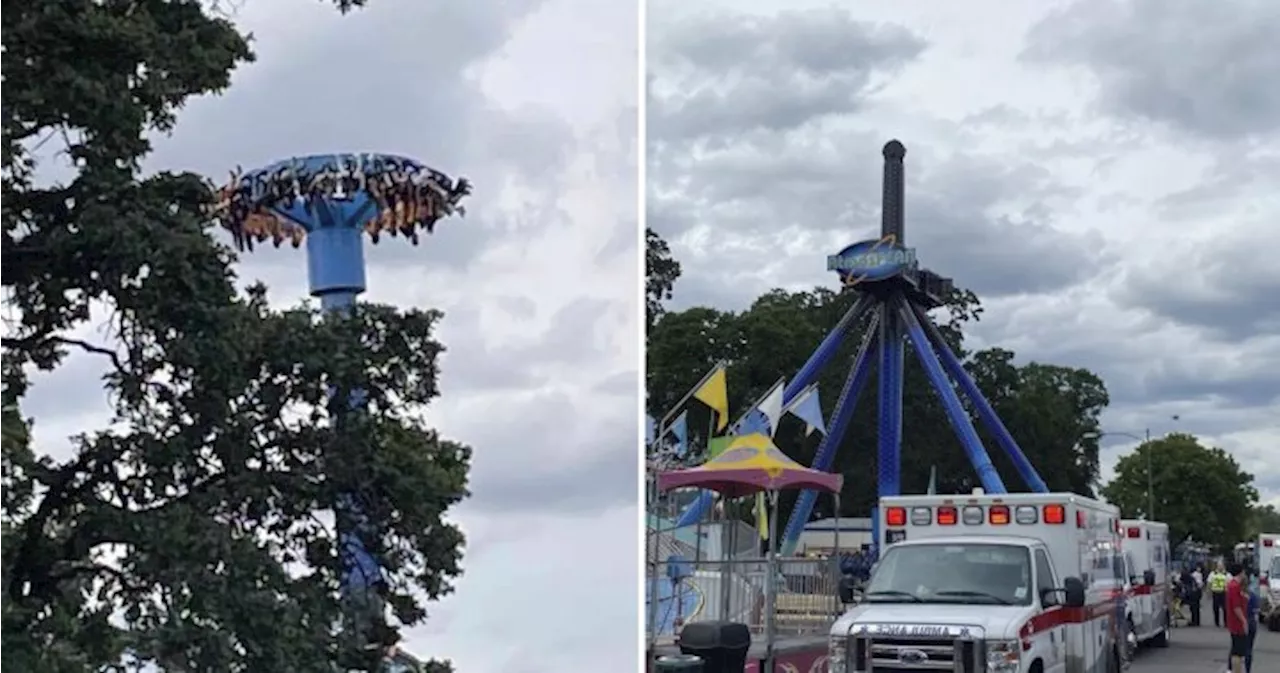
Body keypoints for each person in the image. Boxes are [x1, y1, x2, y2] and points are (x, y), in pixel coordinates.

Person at [1225, 563, 1249, 673]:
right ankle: (1236, 671)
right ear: (1241, 572)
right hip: (1236, 623)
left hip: (1235, 622)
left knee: (1237, 649)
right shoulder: (1234, 586)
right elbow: (1236, 606)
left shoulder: (1234, 585)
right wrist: (1243, 620)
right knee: (1238, 651)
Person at [1210, 563, 1230, 627]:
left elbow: (1231, 583)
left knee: (1225, 608)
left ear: (1224, 567)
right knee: (1215, 608)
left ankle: (1226, 622)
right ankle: (1217, 622)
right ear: (1217, 567)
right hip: (1215, 592)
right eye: (1219, 566)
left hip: (1224, 593)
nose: (1220, 567)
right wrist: (1209, 591)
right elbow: (1209, 582)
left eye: (1221, 566)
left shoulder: (1227, 574)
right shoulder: (1213, 574)